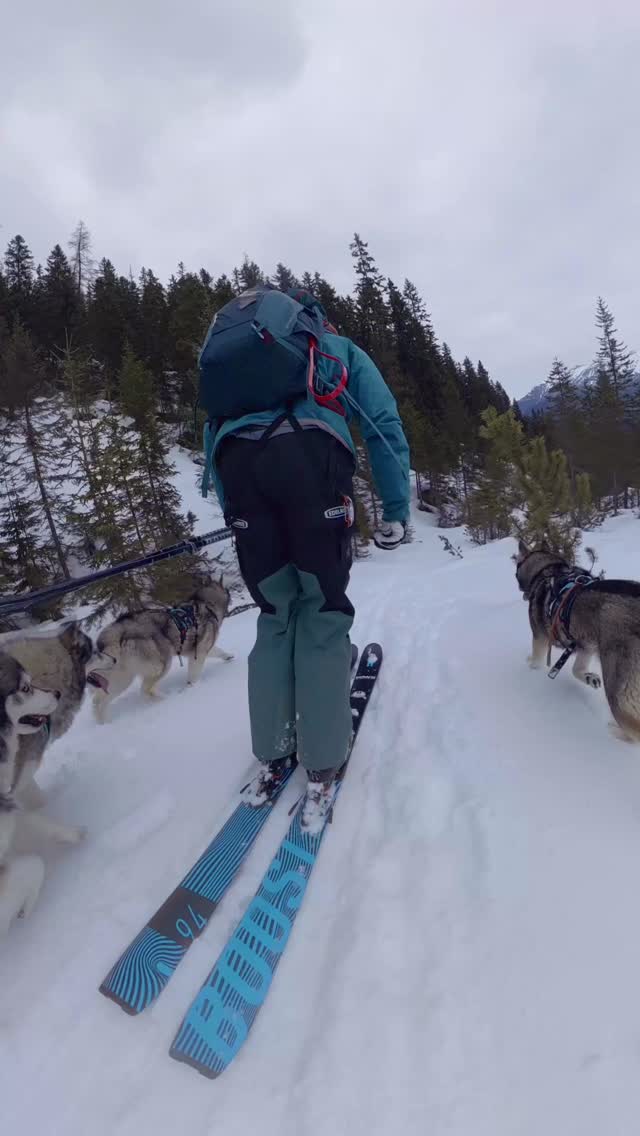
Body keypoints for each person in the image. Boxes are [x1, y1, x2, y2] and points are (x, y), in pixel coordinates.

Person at [201, 287, 410, 831]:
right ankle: (321, 760)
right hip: (311, 466)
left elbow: (212, 430)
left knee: (276, 614)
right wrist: (394, 507)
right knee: (321, 614)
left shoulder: (233, 366)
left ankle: (273, 748)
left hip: (243, 472)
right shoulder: (334, 348)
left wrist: (236, 513)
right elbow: (382, 424)